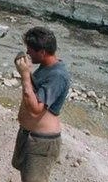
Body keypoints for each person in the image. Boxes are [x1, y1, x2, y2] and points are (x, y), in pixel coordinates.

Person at [12, 26, 71, 182]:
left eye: (31, 50)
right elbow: (35, 91)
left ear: (43, 52)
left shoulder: (58, 76)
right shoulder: (46, 68)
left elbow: (36, 109)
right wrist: (25, 72)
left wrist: (25, 75)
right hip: (30, 136)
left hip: (42, 141)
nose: (28, 53)